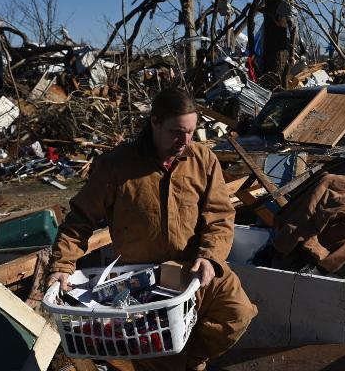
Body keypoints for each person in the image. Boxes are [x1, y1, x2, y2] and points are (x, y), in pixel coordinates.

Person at [47, 88, 257, 371]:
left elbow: (220, 215)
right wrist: (62, 264)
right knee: (159, 358)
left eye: (191, 132)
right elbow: (80, 218)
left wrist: (210, 256)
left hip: (196, 269)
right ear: (155, 123)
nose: (184, 141)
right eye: (176, 132)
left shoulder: (202, 160)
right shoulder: (116, 166)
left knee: (238, 314)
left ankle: (191, 361)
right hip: (147, 283)